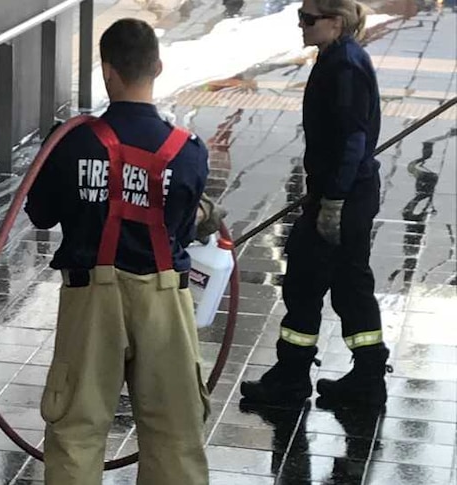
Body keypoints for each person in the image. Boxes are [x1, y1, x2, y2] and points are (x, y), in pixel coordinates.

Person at [26, 18, 212, 485]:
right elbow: (184, 228)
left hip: (91, 299)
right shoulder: (188, 150)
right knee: (174, 434)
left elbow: (41, 214)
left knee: (76, 430)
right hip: (164, 299)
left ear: (107, 72)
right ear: (159, 67)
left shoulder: (70, 141)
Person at [241, 0, 390, 407]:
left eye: (308, 19)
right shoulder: (337, 57)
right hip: (343, 193)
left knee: (307, 283)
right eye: (299, 17)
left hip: (343, 197)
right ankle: (366, 376)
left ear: (335, 22)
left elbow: (353, 138)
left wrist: (334, 201)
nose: (301, 26)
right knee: (348, 285)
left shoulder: (344, 66)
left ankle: (293, 377)